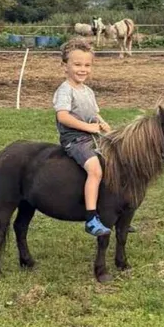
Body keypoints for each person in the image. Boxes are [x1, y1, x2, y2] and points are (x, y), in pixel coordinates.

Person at [53, 38, 112, 235]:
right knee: (95, 171)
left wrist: (101, 123)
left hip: (91, 136)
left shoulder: (88, 91)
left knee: (116, 161)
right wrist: (88, 127)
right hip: (75, 140)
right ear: (65, 66)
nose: (82, 69)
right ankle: (91, 218)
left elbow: (94, 113)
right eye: (77, 64)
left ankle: (111, 209)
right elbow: (62, 116)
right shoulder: (65, 90)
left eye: (87, 65)